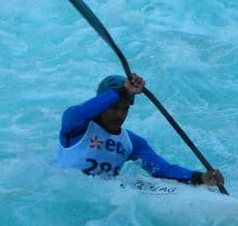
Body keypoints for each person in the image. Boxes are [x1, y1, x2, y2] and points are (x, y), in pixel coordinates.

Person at [54, 73, 225, 187]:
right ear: (103, 103)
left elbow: (161, 170)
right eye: (114, 108)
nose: (120, 114)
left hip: (100, 196)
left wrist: (200, 178)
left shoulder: (132, 142)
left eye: (125, 108)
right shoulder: (75, 125)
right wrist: (122, 91)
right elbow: (82, 110)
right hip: (60, 188)